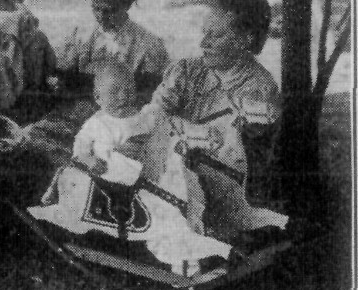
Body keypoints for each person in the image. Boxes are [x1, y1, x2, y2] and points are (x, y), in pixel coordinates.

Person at [31, 61, 234, 277]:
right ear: (98, 98)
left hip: (145, 171)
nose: (123, 97)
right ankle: (182, 259)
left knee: (183, 182)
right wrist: (89, 159)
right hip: (111, 176)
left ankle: (194, 235)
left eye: (128, 90)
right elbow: (80, 147)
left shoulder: (144, 116)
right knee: (140, 191)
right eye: (114, 92)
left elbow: (171, 128)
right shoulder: (97, 123)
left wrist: (202, 133)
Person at [146, 0, 286, 240]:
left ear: (245, 39)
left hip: (222, 185)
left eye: (216, 35)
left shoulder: (258, 90)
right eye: (205, 33)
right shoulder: (186, 70)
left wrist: (169, 124)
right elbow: (151, 116)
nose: (203, 43)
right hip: (174, 163)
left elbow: (221, 146)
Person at [56, 0, 170, 101]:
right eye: (96, 8)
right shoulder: (79, 37)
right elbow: (60, 77)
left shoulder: (148, 45)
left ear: (126, 5)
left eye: (109, 11)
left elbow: (155, 95)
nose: (101, 16)